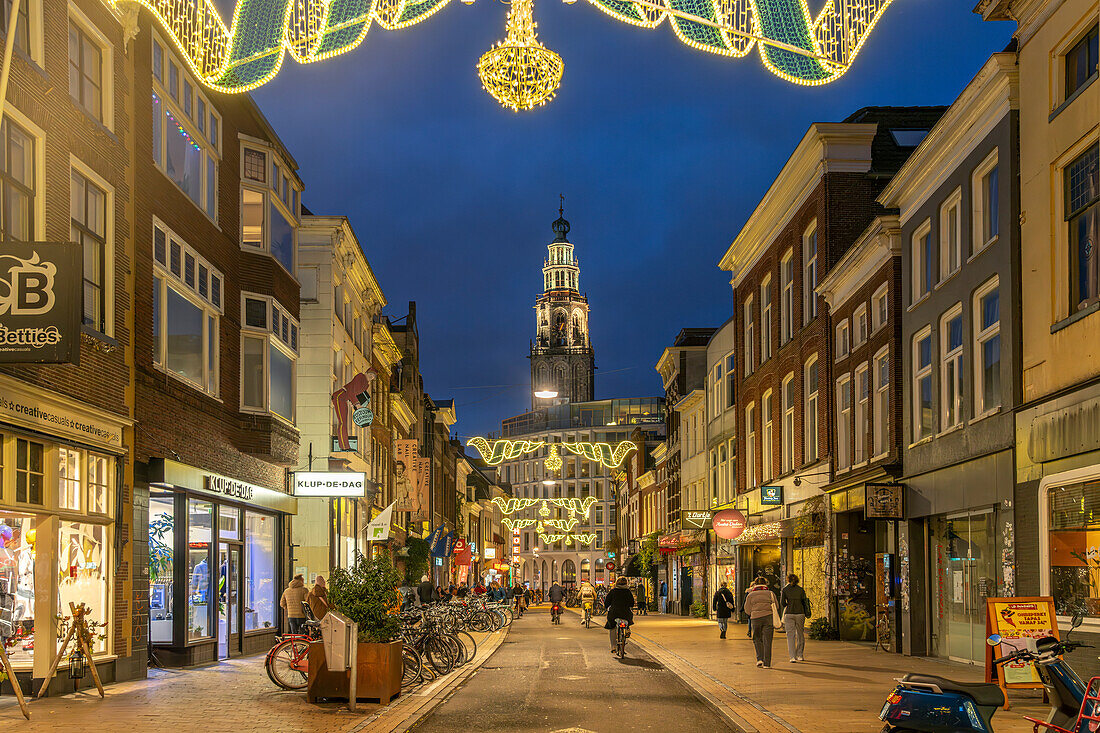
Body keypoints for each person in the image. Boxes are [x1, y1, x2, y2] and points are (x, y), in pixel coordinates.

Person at [743, 576, 779, 668]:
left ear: (755, 584)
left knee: (757, 638)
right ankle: (767, 663)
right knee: (768, 640)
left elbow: (747, 609)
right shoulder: (770, 593)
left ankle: (759, 659)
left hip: (755, 618)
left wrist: (753, 613)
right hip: (768, 618)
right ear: (765, 583)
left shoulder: (751, 595)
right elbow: (777, 606)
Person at [780, 574, 811, 662]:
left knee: (790, 635)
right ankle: (800, 655)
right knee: (800, 634)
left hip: (789, 613)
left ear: (788, 580)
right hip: (800, 613)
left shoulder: (785, 590)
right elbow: (804, 601)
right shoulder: (801, 590)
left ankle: (792, 657)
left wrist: (789, 605)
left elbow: (782, 603)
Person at [603, 577, 635, 654]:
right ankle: (627, 628)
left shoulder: (613, 591)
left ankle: (613, 646)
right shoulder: (628, 592)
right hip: (625, 613)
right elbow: (632, 603)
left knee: (612, 627)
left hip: (614, 613)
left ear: (617, 583)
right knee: (628, 620)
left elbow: (607, 602)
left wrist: (606, 607)